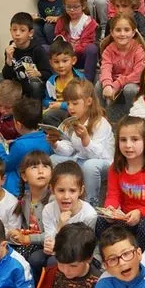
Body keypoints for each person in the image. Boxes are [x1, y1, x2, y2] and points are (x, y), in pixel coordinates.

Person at [95, 116, 145, 251]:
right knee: (101, 221)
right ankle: (110, 254)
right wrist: (110, 210)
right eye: (123, 140)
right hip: (125, 219)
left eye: (134, 139)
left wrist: (140, 212)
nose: (128, 145)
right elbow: (113, 196)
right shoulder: (115, 168)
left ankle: (139, 256)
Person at [49, 79, 114, 208]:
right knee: (53, 159)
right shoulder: (73, 121)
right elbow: (70, 149)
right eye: (68, 103)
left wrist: (85, 139)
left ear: (89, 101)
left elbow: (99, 155)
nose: (70, 107)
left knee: (90, 166)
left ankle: (91, 203)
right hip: (80, 160)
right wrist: (55, 143)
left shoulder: (100, 123)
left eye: (75, 103)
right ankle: (61, 196)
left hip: (103, 163)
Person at [0, 97, 53, 197]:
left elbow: (6, 164)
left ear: (18, 124)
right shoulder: (46, 138)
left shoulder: (20, 145)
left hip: (20, 188)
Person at [41, 161, 100, 263]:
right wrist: (60, 226)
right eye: (61, 190)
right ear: (52, 189)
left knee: (53, 261)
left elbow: (84, 246)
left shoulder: (89, 215)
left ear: (81, 190)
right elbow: (49, 241)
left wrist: (63, 229)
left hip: (78, 254)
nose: (66, 196)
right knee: (36, 259)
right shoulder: (48, 209)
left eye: (72, 191)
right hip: (56, 249)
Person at [8, 152, 53, 278]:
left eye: (45, 166)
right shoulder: (24, 198)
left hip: (48, 245)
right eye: (34, 167)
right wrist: (17, 234)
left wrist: (28, 238)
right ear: (24, 176)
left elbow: (53, 233)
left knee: (32, 257)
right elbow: (25, 227)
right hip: (31, 244)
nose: (41, 171)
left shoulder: (54, 200)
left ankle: (33, 286)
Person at [98, 13, 145, 108]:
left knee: (130, 89)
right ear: (112, 32)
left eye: (127, 30)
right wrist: (107, 85)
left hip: (133, 84)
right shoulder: (108, 50)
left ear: (133, 32)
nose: (122, 34)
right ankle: (102, 114)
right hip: (114, 84)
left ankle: (133, 114)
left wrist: (118, 83)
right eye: (118, 30)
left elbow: (138, 74)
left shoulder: (138, 50)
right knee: (99, 85)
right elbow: (105, 69)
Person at [1, 12, 53, 101]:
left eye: (22, 30)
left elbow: (48, 73)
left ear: (30, 33)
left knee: (35, 85)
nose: (17, 34)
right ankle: (5, 109)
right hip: (18, 86)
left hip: (36, 87)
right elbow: (7, 77)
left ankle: (35, 109)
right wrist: (8, 61)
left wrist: (38, 73)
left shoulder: (38, 49)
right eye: (14, 30)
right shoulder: (10, 49)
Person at [55, 0, 100, 83]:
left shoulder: (89, 22)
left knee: (92, 48)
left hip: (81, 57)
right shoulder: (62, 21)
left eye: (75, 7)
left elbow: (87, 43)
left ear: (83, 6)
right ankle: (55, 81)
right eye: (68, 7)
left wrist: (72, 50)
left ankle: (87, 83)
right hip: (65, 57)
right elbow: (58, 38)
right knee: (47, 49)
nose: (72, 10)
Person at [43, 39, 85, 127]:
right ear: (51, 63)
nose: (61, 65)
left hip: (76, 112)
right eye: (56, 62)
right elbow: (46, 100)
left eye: (65, 61)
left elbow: (83, 103)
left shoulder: (80, 80)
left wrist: (61, 105)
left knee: (48, 116)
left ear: (73, 60)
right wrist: (51, 104)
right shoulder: (51, 81)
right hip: (58, 111)